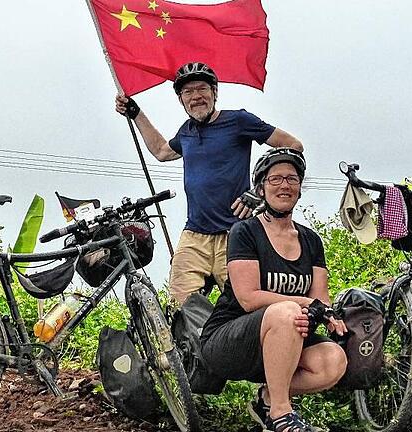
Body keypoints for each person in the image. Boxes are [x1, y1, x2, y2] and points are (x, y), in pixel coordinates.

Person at [115, 62, 303, 305]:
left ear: (215, 92)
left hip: (235, 234)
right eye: (188, 92)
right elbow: (162, 151)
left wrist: (259, 192)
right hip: (194, 235)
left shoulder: (239, 121)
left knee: (244, 305)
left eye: (202, 89)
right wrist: (135, 113)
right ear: (181, 100)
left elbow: (292, 146)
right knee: (180, 306)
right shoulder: (187, 132)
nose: (196, 97)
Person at [199, 148, 348, 432]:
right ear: (261, 187)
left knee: (333, 361)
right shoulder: (244, 231)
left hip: (285, 338)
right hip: (230, 340)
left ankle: (268, 399)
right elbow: (248, 297)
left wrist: (323, 315)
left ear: (300, 188)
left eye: (292, 179)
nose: (284, 186)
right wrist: (304, 302)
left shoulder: (311, 241)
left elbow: (321, 296)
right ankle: (281, 415)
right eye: (275, 179)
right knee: (287, 311)